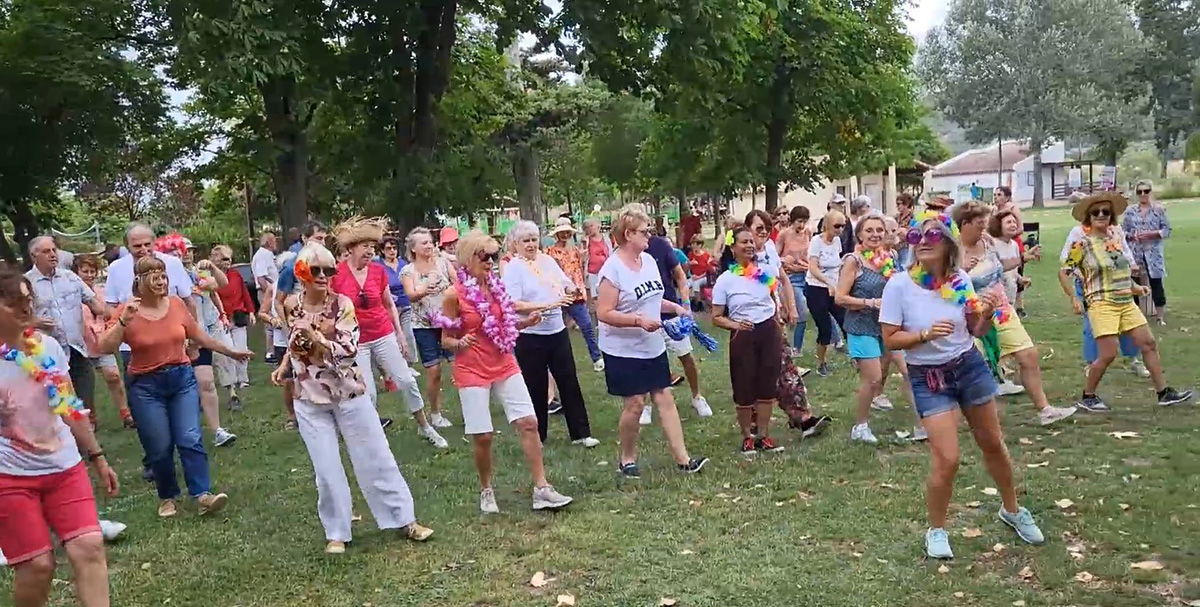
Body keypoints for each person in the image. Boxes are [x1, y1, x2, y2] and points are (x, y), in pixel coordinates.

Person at [880, 213, 1045, 560]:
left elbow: (977, 331)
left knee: (993, 444)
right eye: (917, 236)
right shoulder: (898, 285)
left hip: (968, 367)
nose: (923, 241)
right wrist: (924, 335)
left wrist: (986, 313)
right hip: (929, 377)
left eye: (933, 235)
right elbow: (890, 339)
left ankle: (1012, 510)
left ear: (948, 245)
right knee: (948, 459)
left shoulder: (960, 280)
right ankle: (937, 530)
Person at [271, 243, 433, 554]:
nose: (323, 276)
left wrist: (318, 338)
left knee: (376, 457)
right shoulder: (292, 304)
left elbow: (347, 352)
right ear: (301, 274)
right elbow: (295, 343)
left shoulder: (343, 304)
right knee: (327, 468)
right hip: (308, 398)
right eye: (315, 270)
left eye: (328, 270)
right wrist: (283, 367)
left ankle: (405, 520)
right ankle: (336, 533)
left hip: (349, 392)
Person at [97, 255, 252, 518]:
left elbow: (199, 336)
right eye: (153, 275)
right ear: (139, 280)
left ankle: (203, 494)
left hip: (181, 378)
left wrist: (232, 351)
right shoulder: (128, 309)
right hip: (145, 386)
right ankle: (167, 496)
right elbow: (104, 346)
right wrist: (123, 320)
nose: (161, 280)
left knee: (190, 437)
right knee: (159, 445)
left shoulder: (177, 305)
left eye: (163, 274)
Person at [0, 268, 120, 607]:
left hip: (63, 467)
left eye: (28, 301)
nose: (26, 310)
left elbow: (69, 405)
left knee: (89, 546)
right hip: (9, 477)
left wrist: (97, 457)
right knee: (38, 566)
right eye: (13, 303)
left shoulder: (47, 347)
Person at [437, 230, 575, 513]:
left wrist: (526, 322)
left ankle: (542, 489)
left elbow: (503, 326)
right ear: (467, 259)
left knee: (529, 422)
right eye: (483, 256)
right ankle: (486, 489)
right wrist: (458, 341)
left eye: (494, 256)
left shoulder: (496, 287)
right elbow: (445, 339)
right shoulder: (454, 295)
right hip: (471, 368)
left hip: (504, 362)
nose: (489, 262)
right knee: (483, 435)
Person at [596, 205, 709, 479]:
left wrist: (677, 309)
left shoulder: (647, 261)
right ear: (628, 234)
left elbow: (653, 299)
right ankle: (627, 459)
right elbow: (604, 312)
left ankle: (683, 459)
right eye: (645, 231)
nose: (650, 235)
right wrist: (638, 321)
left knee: (664, 396)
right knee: (634, 403)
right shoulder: (612, 269)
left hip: (652, 345)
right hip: (622, 349)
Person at [1057, 192, 1192, 411]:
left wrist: (1136, 287)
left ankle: (1164, 393)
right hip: (1102, 303)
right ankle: (1088, 396)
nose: (1101, 215)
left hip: (1126, 302)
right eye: (1096, 212)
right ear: (1088, 218)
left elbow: (1119, 271)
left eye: (1106, 212)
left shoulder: (1115, 240)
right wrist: (1073, 297)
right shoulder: (1081, 244)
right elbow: (1064, 272)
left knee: (1148, 343)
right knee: (1108, 353)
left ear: (1112, 217)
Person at [955, 202, 1077, 426]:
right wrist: (961, 270)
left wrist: (1023, 259)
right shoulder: (952, 250)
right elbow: (940, 284)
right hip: (972, 316)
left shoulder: (987, 242)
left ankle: (1045, 409)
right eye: (980, 223)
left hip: (1002, 310)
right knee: (975, 370)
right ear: (964, 224)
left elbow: (999, 266)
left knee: (1028, 355)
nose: (985, 227)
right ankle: (960, 418)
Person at [329, 218, 446, 447]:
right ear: (351, 249)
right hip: (357, 340)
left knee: (406, 381)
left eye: (373, 247)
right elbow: (332, 308)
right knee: (368, 393)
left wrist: (399, 335)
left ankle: (425, 427)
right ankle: (374, 437)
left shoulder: (377, 272)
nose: (370, 251)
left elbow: (389, 304)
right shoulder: (337, 274)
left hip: (382, 333)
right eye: (365, 247)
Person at [502, 221, 600, 447]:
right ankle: (538, 435)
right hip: (531, 334)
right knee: (535, 385)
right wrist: (544, 305)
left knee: (568, 379)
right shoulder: (514, 268)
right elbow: (512, 303)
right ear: (516, 244)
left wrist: (570, 290)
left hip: (556, 331)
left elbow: (564, 283)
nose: (531, 244)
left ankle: (581, 433)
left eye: (534, 239)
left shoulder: (547, 261)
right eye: (525, 240)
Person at [835, 215, 923, 444]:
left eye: (879, 230)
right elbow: (840, 297)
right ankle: (860, 426)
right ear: (860, 235)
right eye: (869, 230)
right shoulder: (852, 261)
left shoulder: (890, 257)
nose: (875, 234)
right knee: (873, 379)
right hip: (861, 326)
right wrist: (871, 303)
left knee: (909, 371)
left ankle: (923, 424)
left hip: (888, 325)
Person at [710, 225, 786, 455]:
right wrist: (735, 325)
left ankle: (763, 435)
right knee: (744, 386)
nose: (750, 246)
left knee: (767, 385)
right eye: (744, 242)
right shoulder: (725, 280)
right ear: (733, 248)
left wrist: (779, 317)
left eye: (752, 242)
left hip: (768, 331)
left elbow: (775, 297)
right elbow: (716, 317)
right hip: (743, 335)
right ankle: (747, 437)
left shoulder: (764, 274)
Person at [159, 235, 239, 447]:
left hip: (199, 335)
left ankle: (217, 431)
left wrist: (212, 266)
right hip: (173, 339)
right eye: (173, 252)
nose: (181, 255)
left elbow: (221, 283)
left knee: (206, 381)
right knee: (176, 390)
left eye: (184, 250)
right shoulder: (159, 280)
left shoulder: (196, 274)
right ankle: (175, 434)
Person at [24, 236, 112, 432]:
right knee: (61, 404)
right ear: (33, 256)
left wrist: (113, 315)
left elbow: (95, 304)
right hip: (48, 356)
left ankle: (89, 446)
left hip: (78, 350)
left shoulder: (70, 277)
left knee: (85, 400)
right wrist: (34, 322)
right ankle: (70, 445)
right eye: (46, 251)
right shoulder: (27, 283)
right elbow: (18, 318)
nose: (53, 254)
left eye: (54, 249)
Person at [642, 223, 713, 424]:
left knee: (685, 355)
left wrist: (686, 303)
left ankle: (697, 397)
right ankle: (646, 405)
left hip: (670, 312)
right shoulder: (625, 253)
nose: (646, 232)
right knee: (647, 362)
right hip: (645, 316)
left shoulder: (661, 246)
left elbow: (681, 277)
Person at [399, 227, 456, 429]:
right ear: (413, 248)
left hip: (449, 322)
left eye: (430, 241)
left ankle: (471, 406)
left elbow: (458, 283)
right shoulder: (408, 271)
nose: (429, 245)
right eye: (424, 243)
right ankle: (435, 413)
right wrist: (424, 288)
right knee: (434, 371)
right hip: (423, 325)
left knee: (459, 366)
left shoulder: (443, 263)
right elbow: (411, 295)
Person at [74, 255, 133, 430]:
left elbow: (109, 312)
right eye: (85, 271)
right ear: (76, 272)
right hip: (81, 344)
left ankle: (125, 413)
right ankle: (90, 417)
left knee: (113, 376)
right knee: (86, 384)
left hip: (101, 341)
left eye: (93, 271)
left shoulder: (101, 291)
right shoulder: (71, 292)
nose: (89, 275)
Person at [546, 217, 604, 372]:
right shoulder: (550, 253)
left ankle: (597, 358)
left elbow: (580, 269)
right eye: (562, 232)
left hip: (577, 295)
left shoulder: (576, 251)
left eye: (567, 232)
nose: (565, 235)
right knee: (557, 330)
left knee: (586, 326)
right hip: (559, 296)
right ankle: (556, 362)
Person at [1122, 179, 1171, 325]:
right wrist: (1133, 236)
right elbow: (1123, 232)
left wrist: (1153, 234)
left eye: (1146, 191)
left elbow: (1167, 230)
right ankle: (1135, 315)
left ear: (1150, 192)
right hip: (1135, 252)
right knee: (1133, 283)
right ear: (1136, 193)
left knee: (1156, 282)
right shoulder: (1130, 211)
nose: (1143, 194)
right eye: (1140, 191)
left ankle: (1159, 317)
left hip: (1153, 253)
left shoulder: (1158, 210)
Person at [806, 211, 849, 376]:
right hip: (816, 289)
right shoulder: (816, 242)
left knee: (845, 322)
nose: (840, 229)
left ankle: (859, 359)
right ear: (827, 225)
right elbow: (813, 268)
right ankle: (821, 363)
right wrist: (828, 283)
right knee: (825, 329)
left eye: (843, 226)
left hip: (834, 289)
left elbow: (837, 264)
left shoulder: (837, 241)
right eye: (837, 225)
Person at [212, 245, 255, 408]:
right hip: (220, 318)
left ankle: (243, 379)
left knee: (241, 347)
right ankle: (231, 382)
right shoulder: (211, 277)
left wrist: (251, 311)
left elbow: (245, 294)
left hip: (238, 315)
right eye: (224, 259)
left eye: (229, 259)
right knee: (227, 351)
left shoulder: (236, 275)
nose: (228, 262)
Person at [378, 236, 419, 364]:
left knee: (408, 334)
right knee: (394, 336)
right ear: (383, 251)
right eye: (388, 248)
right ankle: (398, 363)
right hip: (389, 307)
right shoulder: (378, 266)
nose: (392, 251)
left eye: (394, 248)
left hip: (405, 304)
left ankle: (410, 362)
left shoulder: (404, 264)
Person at [778, 206, 812, 357]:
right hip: (791, 278)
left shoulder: (808, 233)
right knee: (801, 311)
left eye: (804, 222)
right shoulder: (784, 235)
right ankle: (796, 348)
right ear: (793, 220)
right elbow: (774, 257)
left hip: (807, 274)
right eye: (799, 221)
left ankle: (835, 340)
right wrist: (785, 260)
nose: (801, 225)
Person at [251, 231, 279, 362]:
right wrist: (270, 292)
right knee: (270, 322)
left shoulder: (267, 254)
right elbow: (261, 277)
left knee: (273, 322)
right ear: (269, 242)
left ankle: (274, 350)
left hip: (271, 290)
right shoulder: (263, 255)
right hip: (266, 292)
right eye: (274, 240)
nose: (276, 243)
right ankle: (270, 353)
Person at [582, 218, 612, 303]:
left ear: (598, 226)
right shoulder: (585, 241)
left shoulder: (606, 238)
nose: (590, 229)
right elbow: (583, 258)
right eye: (587, 227)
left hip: (605, 272)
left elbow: (610, 253)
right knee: (594, 299)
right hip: (592, 273)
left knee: (606, 296)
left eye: (591, 226)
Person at [685, 235, 716, 309]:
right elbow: (686, 270)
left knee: (696, 283)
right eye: (692, 244)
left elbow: (709, 271)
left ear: (700, 245)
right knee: (685, 284)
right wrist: (689, 264)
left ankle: (698, 304)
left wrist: (699, 277)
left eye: (694, 244)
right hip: (694, 276)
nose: (693, 246)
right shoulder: (690, 254)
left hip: (705, 277)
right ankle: (687, 303)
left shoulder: (706, 255)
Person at [894, 193, 916, 269]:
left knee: (905, 268)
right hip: (895, 248)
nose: (897, 206)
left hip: (906, 248)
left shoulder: (913, 217)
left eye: (899, 204)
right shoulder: (896, 217)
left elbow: (912, 233)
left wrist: (902, 231)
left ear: (906, 204)